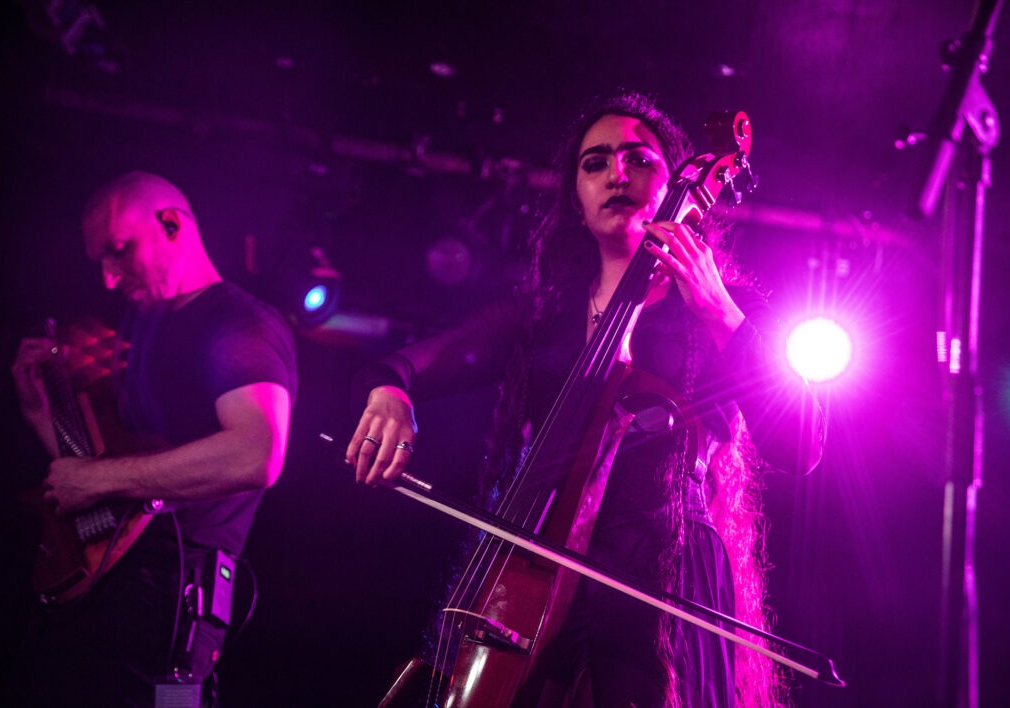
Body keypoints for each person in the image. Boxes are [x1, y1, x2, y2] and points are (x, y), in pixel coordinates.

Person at [347, 91, 824, 707]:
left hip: (665, 583)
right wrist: (390, 394)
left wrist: (715, 305)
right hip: (531, 581)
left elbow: (801, 443)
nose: (616, 175)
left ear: (675, 183)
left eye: (639, 159)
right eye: (594, 163)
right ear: (574, 197)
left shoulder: (720, 310)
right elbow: (405, 363)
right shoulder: (542, 317)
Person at [9, 171, 298, 706]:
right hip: (105, 596)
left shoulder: (239, 323)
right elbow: (110, 492)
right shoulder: (145, 326)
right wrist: (41, 417)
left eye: (119, 252)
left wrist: (96, 478)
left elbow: (258, 452)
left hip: (172, 612)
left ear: (170, 224)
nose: (109, 279)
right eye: (100, 260)